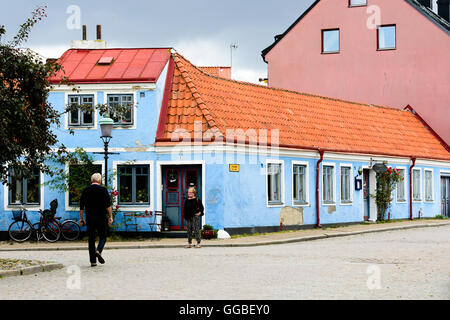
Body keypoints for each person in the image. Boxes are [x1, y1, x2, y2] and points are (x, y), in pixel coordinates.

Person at [79, 173, 113, 267]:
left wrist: (81, 218)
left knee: (91, 238)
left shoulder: (86, 190)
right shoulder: (103, 190)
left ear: (91, 180)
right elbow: (108, 205)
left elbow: (82, 206)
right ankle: (99, 250)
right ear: (99, 180)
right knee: (103, 236)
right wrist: (110, 216)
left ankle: (93, 261)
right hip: (101, 217)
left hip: (90, 218)